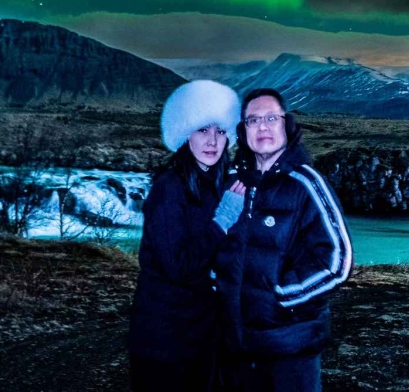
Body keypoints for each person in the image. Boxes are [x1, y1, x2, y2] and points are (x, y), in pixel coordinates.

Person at [214, 88, 352, 392]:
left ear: (286, 125)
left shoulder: (306, 183)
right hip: (236, 347)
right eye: (253, 120)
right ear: (243, 130)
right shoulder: (230, 182)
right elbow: (213, 249)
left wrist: (283, 296)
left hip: (290, 348)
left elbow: (338, 261)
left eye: (271, 118)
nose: (262, 127)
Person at [128, 79, 247, 390]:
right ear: (185, 134)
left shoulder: (216, 184)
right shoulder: (169, 189)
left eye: (220, 131)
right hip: (164, 339)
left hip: (203, 332)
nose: (213, 141)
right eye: (202, 130)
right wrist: (222, 220)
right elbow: (178, 266)